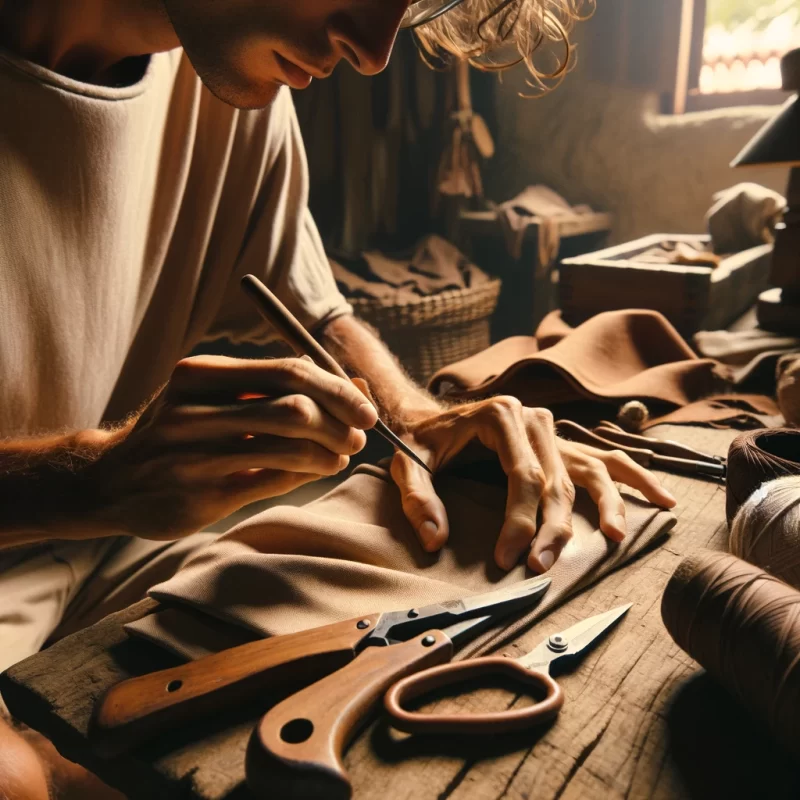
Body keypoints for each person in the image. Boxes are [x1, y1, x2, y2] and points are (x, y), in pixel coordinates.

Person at [0, 0, 676, 796]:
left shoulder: (230, 94)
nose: (372, 53)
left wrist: (422, 420)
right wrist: (90, 480)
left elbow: (313, 310)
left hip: (119, 554)